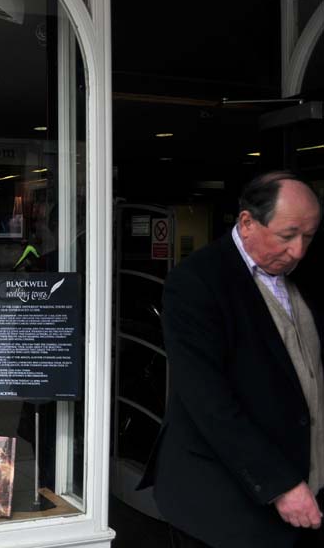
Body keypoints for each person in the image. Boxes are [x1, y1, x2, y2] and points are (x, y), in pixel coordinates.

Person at [138, 171, 324, 548]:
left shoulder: (306, 273)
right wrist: (280, 484)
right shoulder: (196, 282)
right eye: (288, 236)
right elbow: (209, 401)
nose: (299, 251)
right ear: (247, 222)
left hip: (307, 495)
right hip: (223, 504)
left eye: (308, 236)